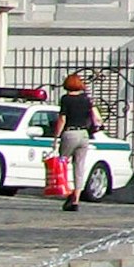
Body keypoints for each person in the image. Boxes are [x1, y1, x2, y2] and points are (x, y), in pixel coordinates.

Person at [51, 74, 96, 208]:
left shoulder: (66, 99)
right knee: (79, 167)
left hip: (70, 133)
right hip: (84, 134)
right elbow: (96, 116)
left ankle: (65, 191)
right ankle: (76, 198)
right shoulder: (86, 99)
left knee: (62, 163)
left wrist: (56, 137)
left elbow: (62, 119)